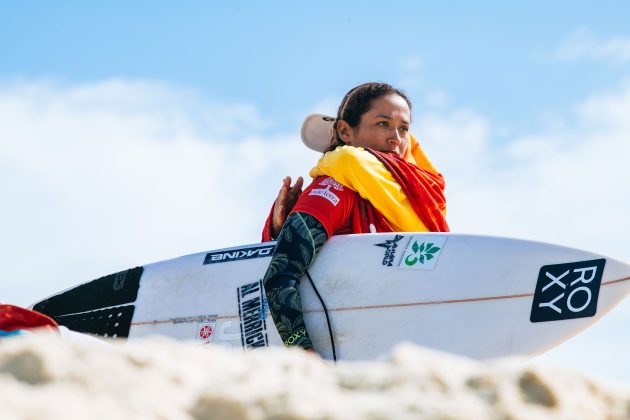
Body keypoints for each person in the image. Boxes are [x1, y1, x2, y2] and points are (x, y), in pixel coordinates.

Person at [261, 82, 449, 352]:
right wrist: (304, 352)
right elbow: (279, 275)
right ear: (345, 131)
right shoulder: (338, 187)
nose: (396, 138)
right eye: (382, 124)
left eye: (404, 128)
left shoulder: (414, 199)